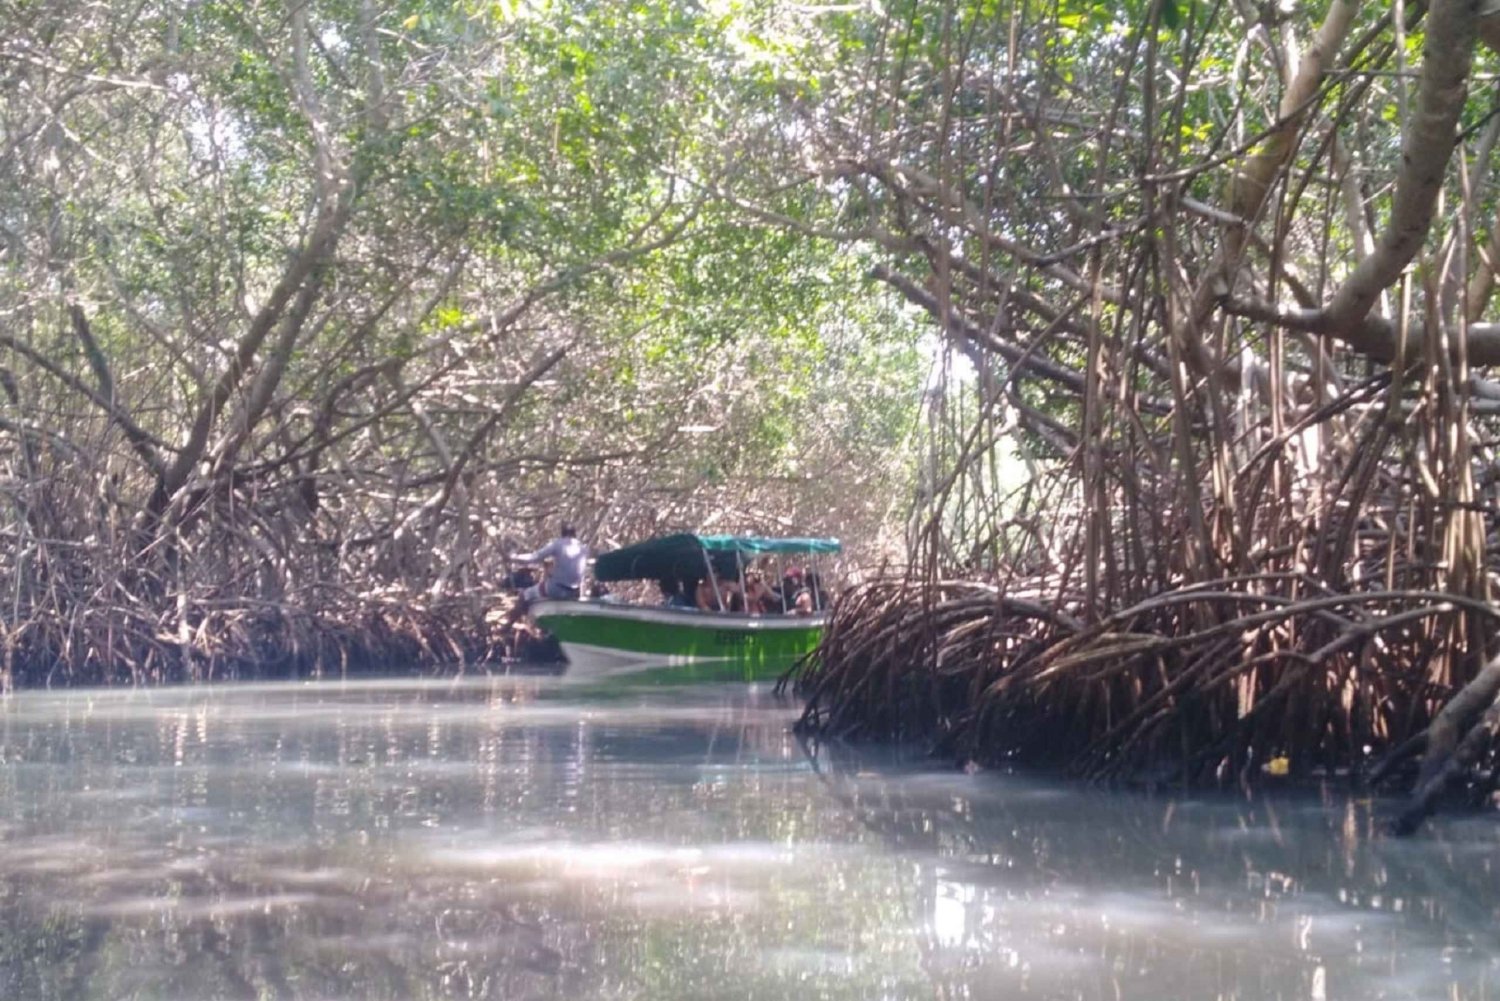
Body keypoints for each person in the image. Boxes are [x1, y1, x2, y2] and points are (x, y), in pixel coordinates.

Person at [511, 523, 588, 607]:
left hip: (556, 590)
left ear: (562, 533)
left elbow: (535, 557)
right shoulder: (583, 548)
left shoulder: (557, 544)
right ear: (574, 533)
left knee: (524, 595)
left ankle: (512, 619)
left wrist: (515, 557)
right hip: (575, 592)